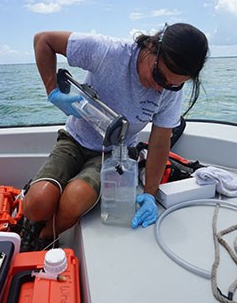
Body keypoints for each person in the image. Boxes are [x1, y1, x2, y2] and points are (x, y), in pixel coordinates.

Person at [22, 23, 208, 251]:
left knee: (75, 200)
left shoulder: (168, 91)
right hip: (75, 139)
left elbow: (160, 143)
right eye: (159, 76)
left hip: (116, 153)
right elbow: (43, 39)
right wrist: (53, 92)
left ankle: (42, 238)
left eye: (175, 85)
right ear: (151, 47)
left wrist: (150, 194)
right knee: (38, 203)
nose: (162, 89)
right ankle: (34, 212)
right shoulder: (110, 52)